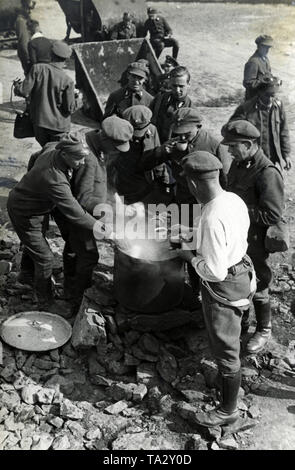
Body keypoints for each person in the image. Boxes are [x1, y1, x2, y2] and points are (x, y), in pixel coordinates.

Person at [175, 150, 255, 427]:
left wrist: (189, 256)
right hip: (242, 270)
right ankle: (231, 381)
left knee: (225, 349)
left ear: (193, 183)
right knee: (233, 337)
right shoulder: (232, 199)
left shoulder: (210, 217)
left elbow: (215, 271)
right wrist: (191, 234)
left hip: (225, 283)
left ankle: (227, 410)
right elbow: (229, 235)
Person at [140, 108, 231, 298]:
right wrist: (161, 151)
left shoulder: (214, 145)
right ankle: (185, 286)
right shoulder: (174, 143)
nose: (181, 136)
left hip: (206, 208)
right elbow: (145, 164)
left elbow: (227, 181)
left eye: (186, 132)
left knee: (205, 249)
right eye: (178, 132)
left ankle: (208, 292)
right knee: (182, 245)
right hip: (182, 204)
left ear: (198, 126)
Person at [6, 135, 99, 315]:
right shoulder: (54, 178)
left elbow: (34, 156)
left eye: (83, 157)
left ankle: (26, 276)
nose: (81, 163)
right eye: (77, 159)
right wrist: (101, 228)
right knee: (45, 258)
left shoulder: (53, 147)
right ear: (64, 154)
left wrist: (32, 179)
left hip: (36, 206)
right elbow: (75, 212)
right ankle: (45, 302)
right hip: (24, 212)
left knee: (35, 244)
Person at [222, 120, 285, 354]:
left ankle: (264, 329)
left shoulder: (267, 172)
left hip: (256, 239)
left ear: (248, 144)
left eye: (233, 146)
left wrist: (236, 209)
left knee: (259, 284)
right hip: (238, 235)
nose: (229, 150)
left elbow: (272, 214)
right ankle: (242, 323)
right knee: (239, 281)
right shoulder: (240, 163)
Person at [14, 40, 79, 147]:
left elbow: (23, 91)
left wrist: (17, 86)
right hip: (58, 128)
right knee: (56, 155)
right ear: (66, 59)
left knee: (45, 149)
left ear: (51, 55)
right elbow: (69, 109)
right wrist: (78, 98)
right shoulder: (67, 80)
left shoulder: (37, 69)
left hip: (39, 124)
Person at [229, 77, 291, 171]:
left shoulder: (278, 106)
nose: (270, 99)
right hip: (252, 158)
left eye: (273, 95)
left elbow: (283, 131)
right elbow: (231, 130)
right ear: (260, 92)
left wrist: (286, 155)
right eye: (267, 95)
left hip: (271, 158)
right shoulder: (246, 108)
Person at [113, 105, 170, 205]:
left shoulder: (152, 130)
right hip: (125, 179)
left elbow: (157, 154)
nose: (139, 135)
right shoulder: (119, 133)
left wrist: (162, 178)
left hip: (145, 178)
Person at [151, 66, 193, 144]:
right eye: (174, 85)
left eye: (181, 86)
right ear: (170, 83)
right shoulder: (160, 98)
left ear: (188, 85)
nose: (177, 90)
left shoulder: (191, 109)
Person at [243, 35, 273, 100]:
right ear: (259, 46)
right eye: (265, 47)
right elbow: (248, 83)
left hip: (265, 96)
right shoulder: (253, 62)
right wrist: (264, 82)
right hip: (254, 99)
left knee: (279, 104)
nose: (267, 50)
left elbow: (268, 75)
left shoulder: (265, 59)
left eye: (268, 48)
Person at [15, 0, 36, 74]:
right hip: (27, 55)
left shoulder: (26, 18)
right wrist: (28, 59)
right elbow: (23, 41)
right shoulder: (21, 21)